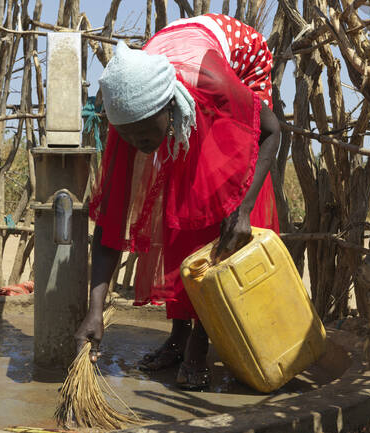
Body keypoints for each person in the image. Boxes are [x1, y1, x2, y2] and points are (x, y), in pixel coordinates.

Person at [73, 13, 281, 390]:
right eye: (128, 136)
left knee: (216, 200)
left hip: (238, 60)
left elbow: (271, 131)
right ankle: (178, 336)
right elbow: (109, 223)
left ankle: (200, 342)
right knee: (178, 205)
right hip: (177, 56)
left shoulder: (214, 86)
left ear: (169, 109)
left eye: (143, 134)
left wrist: (244, 208)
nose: (138, 145)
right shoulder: (128, 118)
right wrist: (95, 311)